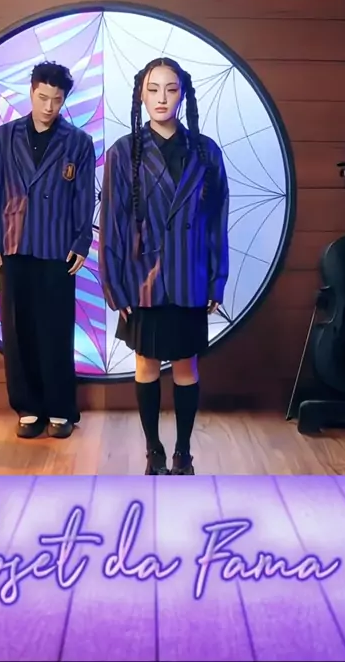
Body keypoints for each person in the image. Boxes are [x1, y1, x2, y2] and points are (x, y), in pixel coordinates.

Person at [99, 57, 229, 475]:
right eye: (153, 89)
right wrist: (114, 286)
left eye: (171, 89)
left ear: (183, 94)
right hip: (143, 278)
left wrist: (216, 280)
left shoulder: (206, 151)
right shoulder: (123, 152)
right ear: (141, 94)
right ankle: (153, 450)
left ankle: (183, 453)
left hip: (190, 275)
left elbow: (217, 221)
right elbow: (112, 222)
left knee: (187, 365)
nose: (162, 98)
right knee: (146, 364)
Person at [0, 61, 96, 440]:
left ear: (64, 99)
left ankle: (61, 409)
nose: (49, 106)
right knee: (17, 331)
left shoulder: (78, 142)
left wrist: (81, 242)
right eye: (43, 97)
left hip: (57, 246)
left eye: (56, 100)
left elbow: (84, 198)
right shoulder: (4, 137)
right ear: (31, 92)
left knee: (56, 330)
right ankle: (28, 408)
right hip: (13, 243)